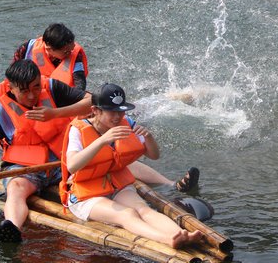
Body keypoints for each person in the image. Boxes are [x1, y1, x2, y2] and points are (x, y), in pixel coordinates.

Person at [0, 23, 199, 194]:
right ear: (47, 47)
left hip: (60, 114)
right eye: (64, 51)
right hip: (33, 145)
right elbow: (15, 78)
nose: (69, 52)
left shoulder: (62, 75)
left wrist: (62, 106)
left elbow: (79, 86)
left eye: (70, 48)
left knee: (112, 154)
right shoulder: (22, 60)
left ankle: (171, 183)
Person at [0, 59, 93, 243]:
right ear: (11, 87)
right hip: (26, 168)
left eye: (36, 87)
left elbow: (93, 101)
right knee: (15, 189)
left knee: (96, 173)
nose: (32, 95)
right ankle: (12, 227)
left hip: (63, 162)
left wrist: (56, 113)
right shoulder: (0, 110)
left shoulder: (52, 87)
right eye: (24, 91)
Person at [60, 83, 204, 249]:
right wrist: (102, 140)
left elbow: (154, 156)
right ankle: (167, 239)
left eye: (121, 111)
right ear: (96, 110)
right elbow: (72, 165)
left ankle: (180, 234)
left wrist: (149, 138)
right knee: (128, 214)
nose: (117, 116)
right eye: (112, 111)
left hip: (116, 184)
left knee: (144, 210)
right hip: (86, 195)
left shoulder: (126, 122)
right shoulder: (78, 130)